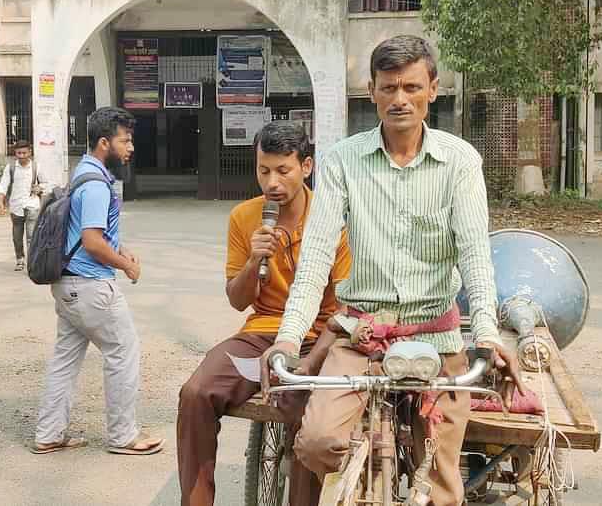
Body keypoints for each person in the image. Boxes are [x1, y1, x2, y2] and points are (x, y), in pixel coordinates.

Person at [260, 35, 525, 506]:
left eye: (411, 87)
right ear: (372, 92)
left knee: (442, 484)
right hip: (363, 333)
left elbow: (475, 257)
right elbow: (316, 258)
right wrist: (286, 337)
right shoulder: (343, 160)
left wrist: (486, 332)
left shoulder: (460, 161)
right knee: (318, 440)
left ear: (433, 90)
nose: (399, 99)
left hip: (437, 341)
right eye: (388, 88)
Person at [177, 121, 352, 506]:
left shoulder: (334, 219)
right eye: (263, 170)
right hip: (262, 329)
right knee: (196, 393)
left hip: (319, 336)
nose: (272, 182)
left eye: (283, 170)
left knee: (305, 409)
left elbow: (344, 308)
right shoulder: (244, 217)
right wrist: (254, 259)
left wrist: (311, 361)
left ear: (306, 167)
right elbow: (238, 301)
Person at [31, 106, 164, 456]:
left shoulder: (84, 174)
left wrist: (121, 249)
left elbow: (90, 233)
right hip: (91, 286)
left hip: (68, 286)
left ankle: (49, 433)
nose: (131, 147)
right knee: (123, 351)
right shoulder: (96, 185)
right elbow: (91, 241)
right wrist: (126, 266)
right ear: (105, 143)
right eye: (125, 140)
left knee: (65, 359)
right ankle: (123, 436)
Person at [0, 140, 43, 271]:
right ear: (15, 153)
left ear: (30, 152)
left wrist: (40, 188)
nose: (22, 156)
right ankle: (20, 259)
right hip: (16, 206)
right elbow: (3, 185)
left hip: (32, 204)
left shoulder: (36, 167)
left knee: (31, 236)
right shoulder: (10, 168)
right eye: (19, 153)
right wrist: (0, 201)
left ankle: (32, 263)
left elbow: (46, 183)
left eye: (24, 153)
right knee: (17, 236)